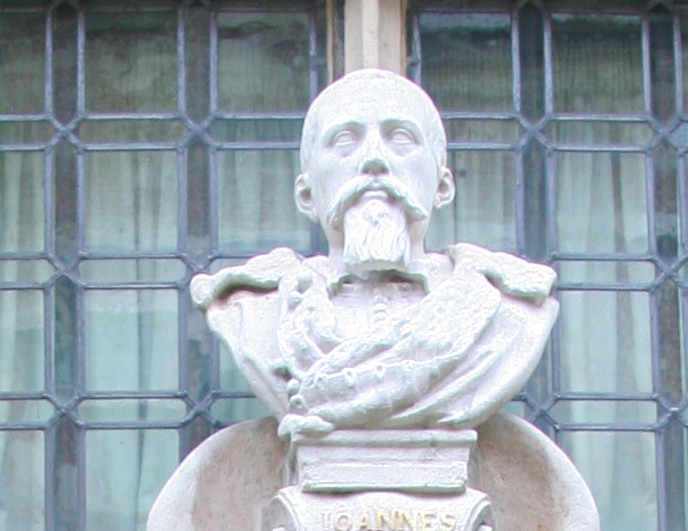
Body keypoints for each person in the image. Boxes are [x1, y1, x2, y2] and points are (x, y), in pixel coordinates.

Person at [191, 69, 559, 441]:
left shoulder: (505, 309)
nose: (374, 159)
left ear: (443, 186)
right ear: (306, 195)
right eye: (344, 141)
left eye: (400, 139)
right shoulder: (256, 310)